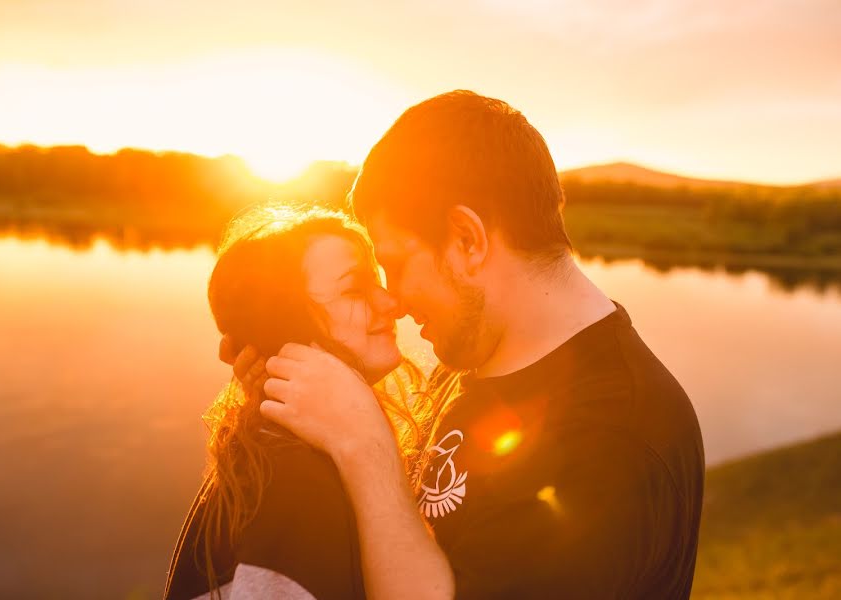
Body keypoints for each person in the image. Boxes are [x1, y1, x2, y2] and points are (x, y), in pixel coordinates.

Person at [227, 90, 706, 599]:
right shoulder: (475, 359)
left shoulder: (614, 441)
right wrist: (303, 394)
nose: (394, 299)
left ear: (467, 239)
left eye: (397, 263)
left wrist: (366, 448)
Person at [163, 204, 434, 600]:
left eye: (376, 281)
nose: (392, 304)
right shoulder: (293, 484)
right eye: (354, 289)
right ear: (284, 323)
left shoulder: (301, 450)